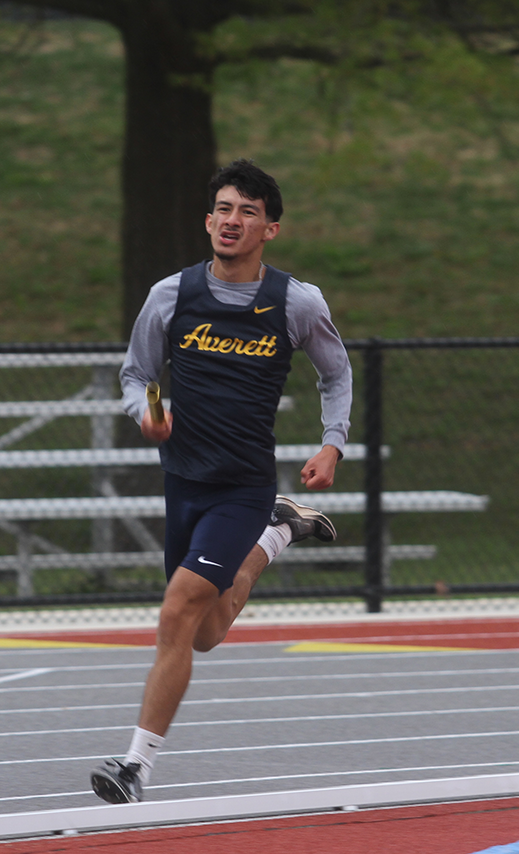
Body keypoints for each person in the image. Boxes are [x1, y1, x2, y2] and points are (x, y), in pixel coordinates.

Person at [90, 159, 352, 803]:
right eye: (225, 210)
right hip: (183, 481)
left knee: (177, 610)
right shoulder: (171, 295)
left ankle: (134, 767)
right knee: (203, 634)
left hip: (241, 485)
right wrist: (149, 412)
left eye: (248, 212)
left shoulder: (296, 302)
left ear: (272, 229)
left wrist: (332, 444)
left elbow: (336, 373)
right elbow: (137, 374)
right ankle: (279, 534)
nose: (233, 221)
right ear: (208, 221)